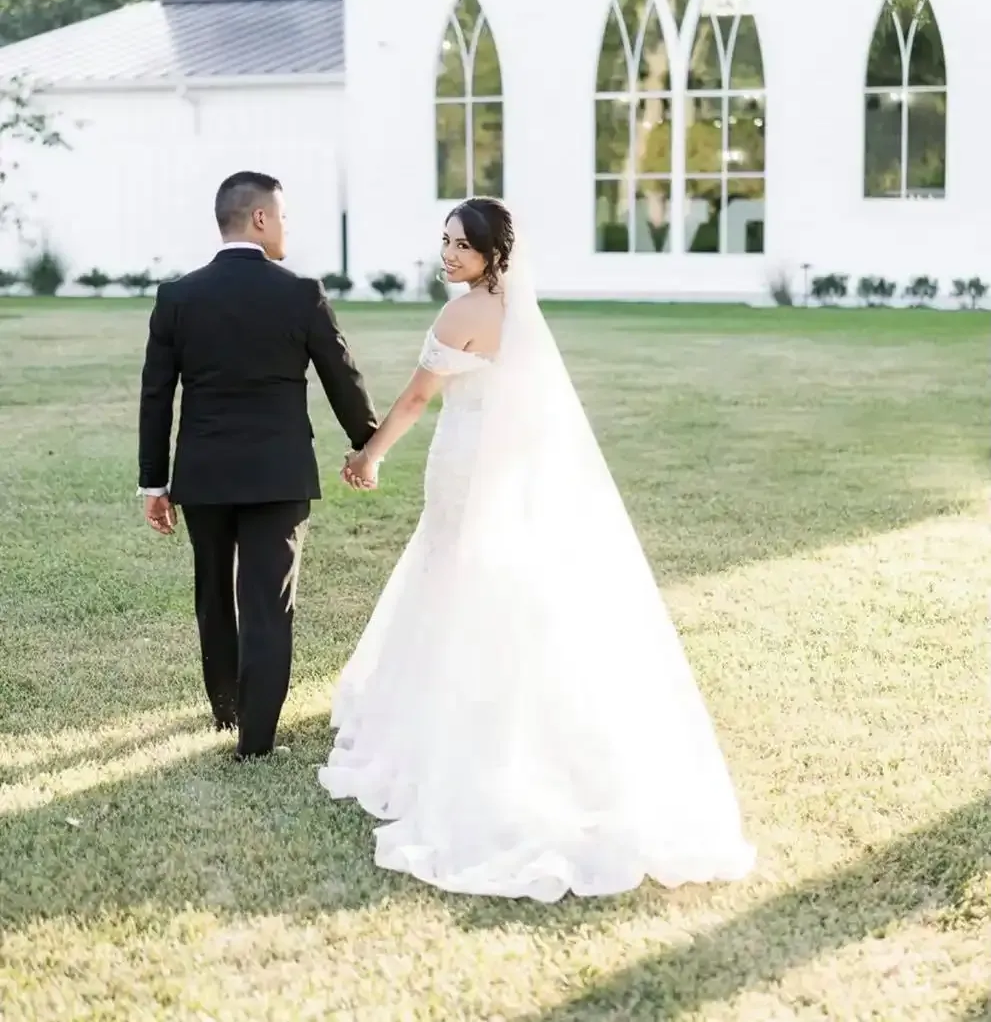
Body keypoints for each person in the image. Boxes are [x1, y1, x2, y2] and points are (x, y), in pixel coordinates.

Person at [327, 196, 756, 901]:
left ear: (494, 253)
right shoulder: (518, 315)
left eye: (461, 245)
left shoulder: (460, 314)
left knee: (450, 573)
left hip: (466, 460)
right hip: (503, 463)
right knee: (481, 574)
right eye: (443, 241)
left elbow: (413, 401)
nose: (448, 255)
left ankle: (448, 713)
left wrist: (369, 455)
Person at [137, 171, 377, 761]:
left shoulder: (178, 296)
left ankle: (226, 712)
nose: (288, 227)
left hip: (205, 475)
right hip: (278, 473)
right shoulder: (300, 293)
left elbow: (156, 395)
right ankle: (256, 740)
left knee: (214, 593)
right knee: (269, 603)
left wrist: (154, 482)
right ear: (261, 218)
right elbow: (341, 377)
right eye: (285, 216)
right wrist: (365, 444)